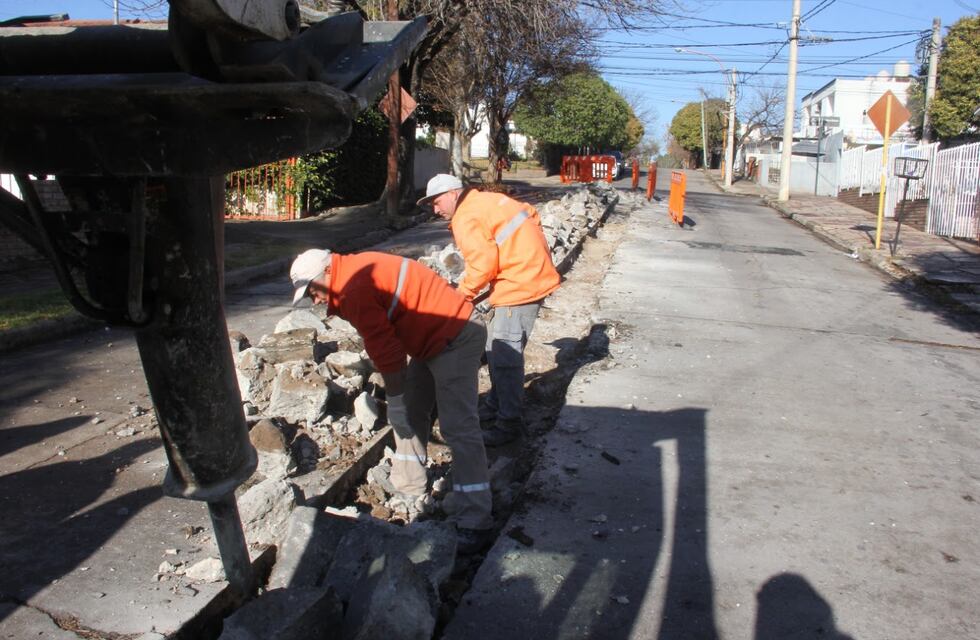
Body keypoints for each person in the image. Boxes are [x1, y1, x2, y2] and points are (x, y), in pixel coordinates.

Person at [289, 248, 493, 551]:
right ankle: (409, 486)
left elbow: (388, 353)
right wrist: (401, 403)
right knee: (412, 411)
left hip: (456, 334)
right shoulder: (352, 273)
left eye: (313, 290)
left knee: (457, 425)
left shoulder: (353, 289)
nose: (315, 299)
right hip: (430, 338)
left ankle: (475, 519)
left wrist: (394, 401)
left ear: (328, 272)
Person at [417, 174, 560, 446]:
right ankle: (495, 405)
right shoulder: (488, 200)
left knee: (504, 356)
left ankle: (508, 425)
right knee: (495, 344)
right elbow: (531, 214)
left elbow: (483, 265)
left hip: (519, 286)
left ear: (452, 194)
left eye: (436, 202)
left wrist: (460, 297)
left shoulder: (465, 216)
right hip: (529, 274)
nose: (435, 210)